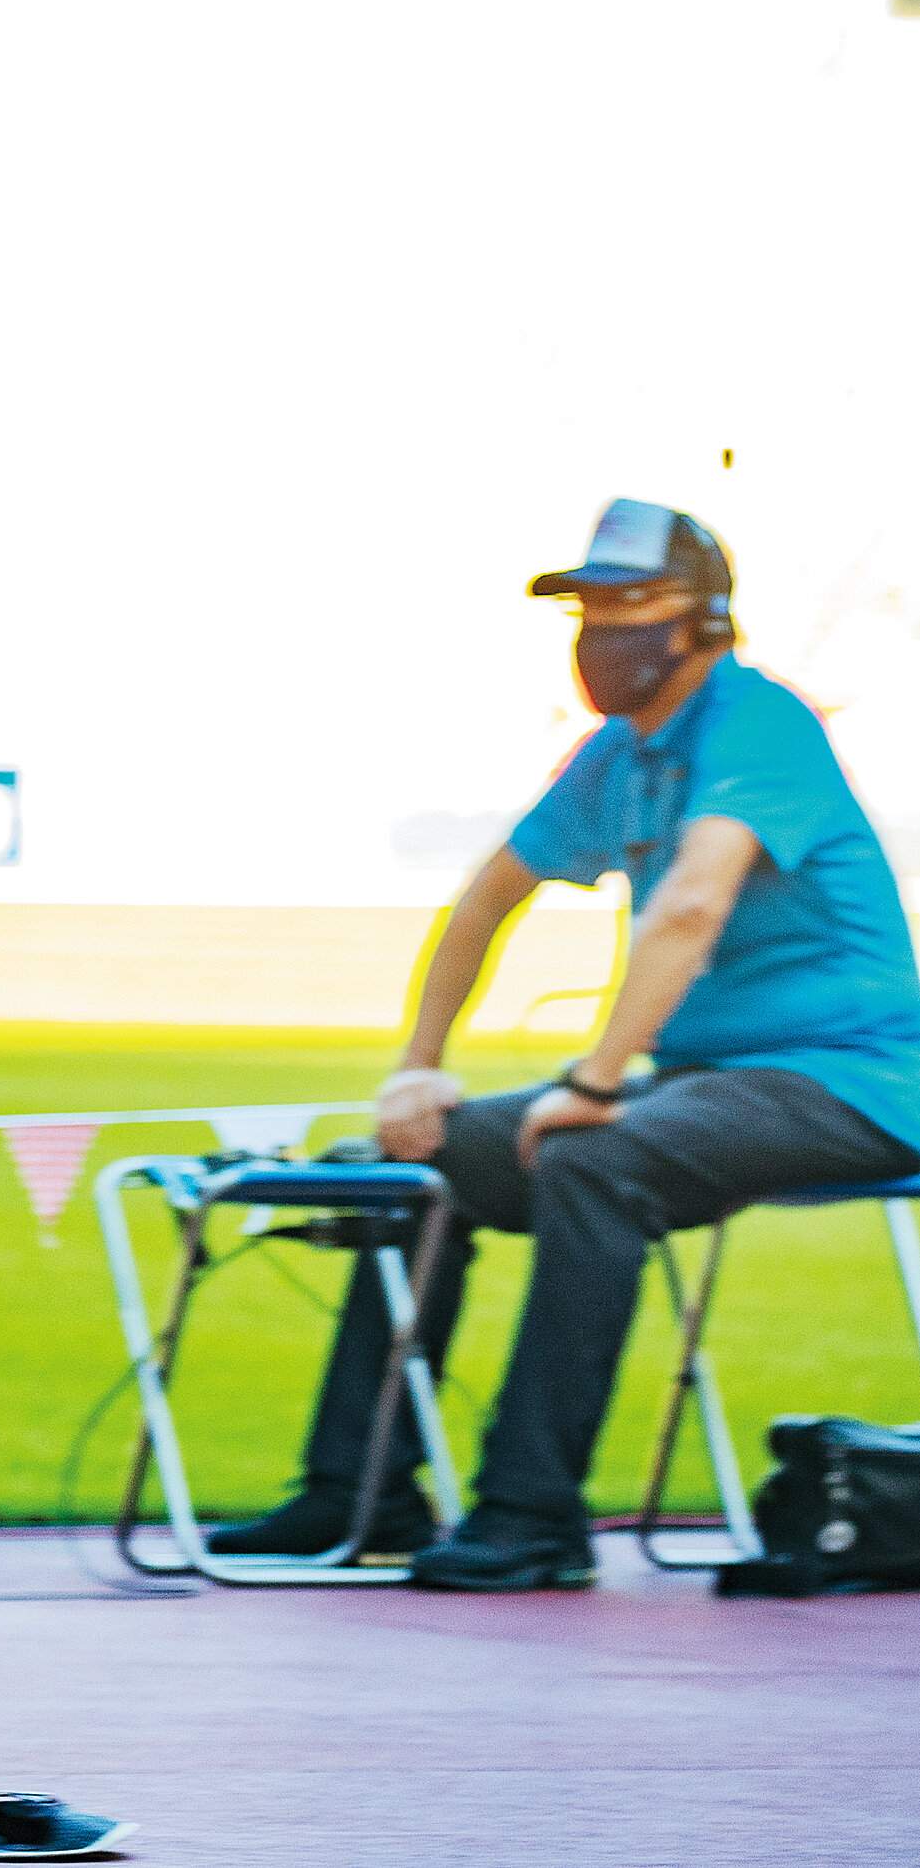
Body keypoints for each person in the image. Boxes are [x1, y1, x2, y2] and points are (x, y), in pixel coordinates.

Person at [215, 501, 920, 1589]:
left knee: (594, 1155)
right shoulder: (617, 751)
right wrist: (416, 1066)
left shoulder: (758, 724)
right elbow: (482, 899)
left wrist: (592, 1083)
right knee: (422, 1156)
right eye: (587, 606)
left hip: (852, 1077)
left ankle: (529, 1518)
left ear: (701, 621)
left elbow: (687, 906)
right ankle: (355, 1494)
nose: (602, 629)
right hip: (706, 1081)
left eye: (632, 605)